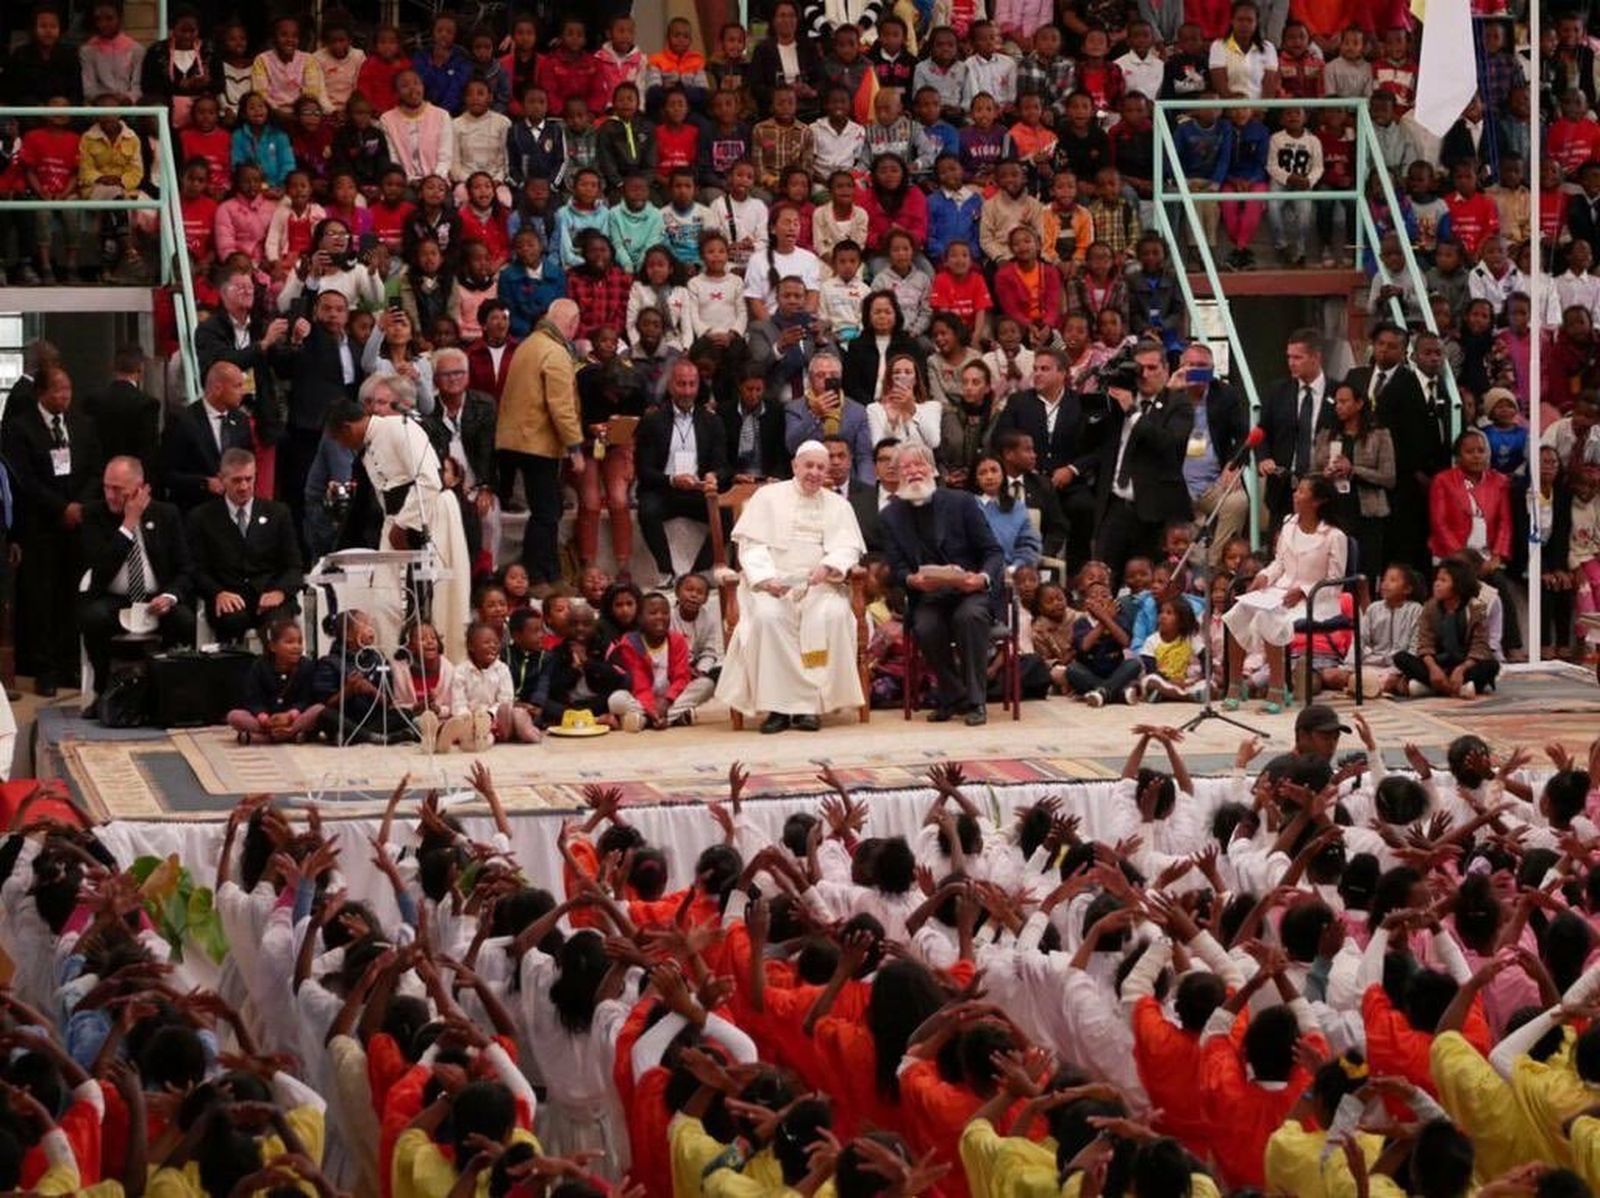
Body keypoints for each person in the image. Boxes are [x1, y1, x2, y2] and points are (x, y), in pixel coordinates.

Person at [717, 440, 867, 732]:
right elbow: (750, 545)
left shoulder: (838, 505)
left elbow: (848, 548)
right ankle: (778, 709)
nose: (814, 472)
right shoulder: (767, 497)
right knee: (768, 618)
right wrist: (766, 580)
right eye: (808, 465)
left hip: (820, 584)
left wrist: (827, 567)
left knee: (833, 616)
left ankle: (811, 707)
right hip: (772, 584)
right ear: (795, 466)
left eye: (821, 467)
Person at [326, 401, 472, 663]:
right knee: (385, 601)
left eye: (339, 438)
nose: (342, 446)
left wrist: (403, 523)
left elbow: (429, 480)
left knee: (429, 600)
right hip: (395, 521)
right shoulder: (367, 446)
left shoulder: (399, 429)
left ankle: (436, 669)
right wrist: (395, 524)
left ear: (347, 428)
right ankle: (396, 668)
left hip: (426, 517)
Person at [880, 443, 1003, 724]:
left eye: (919, 464)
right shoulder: (890, 515)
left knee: (969, 617)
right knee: (925, 626)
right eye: (906, 467)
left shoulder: (961, 502)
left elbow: (993, 552)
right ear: (897, 474)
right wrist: (912, 579)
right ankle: (953, 693)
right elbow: (897, 569)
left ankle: (975, 701)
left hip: (968, 590)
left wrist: (981, 578)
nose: (913, 472)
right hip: (929, 596)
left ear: (933, 469)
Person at [2, 363, 102, 695]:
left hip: (77, 526)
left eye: (68, 390)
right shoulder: (20, 429)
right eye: (58, 390)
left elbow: (93, 470)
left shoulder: (82, 425)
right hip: (40, 527)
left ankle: (67, 664)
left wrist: (79, 506)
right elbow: (24, 480)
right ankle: (44, 668)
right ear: (41, 393)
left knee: (71, 598)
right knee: (42, 600)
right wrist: (60, 508)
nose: (64, 396)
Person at [1223, 475, 1349, 712]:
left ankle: (1278, 689)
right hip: (1279, 591)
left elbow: (1335, 582)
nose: (1295, 495)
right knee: (1238, 611)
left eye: (1301, 492)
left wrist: (1303, 591)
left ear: (1317, 501)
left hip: (1317, 601)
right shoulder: (1288, 523)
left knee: (1270, 617)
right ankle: (1235, 684)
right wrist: (1264, 576)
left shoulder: (1334, 536)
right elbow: (1279, 564)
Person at [77, 456, 196, 702]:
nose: (110, 495)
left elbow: (186, 569)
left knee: (185, 620)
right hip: (114, 599)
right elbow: (100, 571)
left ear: (139, 489)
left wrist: (170, 596)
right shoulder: (93, 515)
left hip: (155, 600)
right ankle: (102, 690)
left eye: (118, 489)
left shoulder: (167, 514)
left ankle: (170, 689)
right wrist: (128, 524)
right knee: (92, 617)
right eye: (106, 487)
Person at [1087, 341, 1196, 584]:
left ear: (1166, 369)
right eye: (1140, 369)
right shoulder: (1118, 398)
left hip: (1153, 513)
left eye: (1152, 368)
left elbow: (1167, 443)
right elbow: (1091, 432)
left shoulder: (1178, 404)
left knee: (1152, 588)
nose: (1145, 375)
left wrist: (1133, 412)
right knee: (1102, 581)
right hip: (1114, 506)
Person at [498, 297, 586, 584]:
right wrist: (575, 447)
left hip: (516, 439)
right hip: (538, 442)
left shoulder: (528, 344)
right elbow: (561, 405)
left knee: (547, 510)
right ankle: (537, 576)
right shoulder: (555, 352)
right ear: (572, 324)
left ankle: (548, 572)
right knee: (546, 512)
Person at [991, 348, 1098, 569]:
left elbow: (1096, 449)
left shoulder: (1080, 404)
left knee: (1084, 507)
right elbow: (1000, 438)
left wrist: (1071, 469)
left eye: (1044, 369)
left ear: (1062, 374)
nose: (1037, 374)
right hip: (1029, 480)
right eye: (1035, 369)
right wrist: (1025, 467)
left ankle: (1076, 574)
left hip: (1069, 482)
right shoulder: (1019, 402)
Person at [186, 448, 303, 643]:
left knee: (279, 628)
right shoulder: (202, 517)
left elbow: (294, 565)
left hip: (271, 595)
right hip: (229, 597)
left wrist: (280, 592)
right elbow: (196, 568)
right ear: (222, 479)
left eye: (249, 479)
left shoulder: (278, 513)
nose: (243, 486)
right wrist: (217, 592)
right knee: (231, 622)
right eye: (236, 480)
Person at [634, 360, 731, 587]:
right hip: (663, 489)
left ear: (698, 386)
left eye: (691, 384)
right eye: (681, 384)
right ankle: (666, 571)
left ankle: (697, 573)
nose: (687, 391)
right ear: (670, 386)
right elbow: (644, 470)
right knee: (647, 511)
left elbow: (724, 465)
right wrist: (671, 480)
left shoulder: (712, 421)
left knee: (726, 516)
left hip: (698, 491)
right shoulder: (652, 421)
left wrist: (713, 476)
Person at [1429, 428, 1522, 657]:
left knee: (1500, 586)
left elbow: (1504, 523)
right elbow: (1439, 524)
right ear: (1458, 456)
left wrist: (1497, 556)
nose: (1477, 456)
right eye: (1470, 451)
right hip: (1452, 555)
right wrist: (1463, 559)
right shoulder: (1443, 481)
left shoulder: (1498, 481)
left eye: (1481, 451)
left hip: (1486, 556)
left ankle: (1510, 646)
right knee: (1453, 586)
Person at [1312, 380, 1397, 577]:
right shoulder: (1327, 435)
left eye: (1344, 401)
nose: (1339, 406)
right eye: (1337, 402)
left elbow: (1388, 477)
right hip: (1335, 509)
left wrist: (1354, 470)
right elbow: (1313, 472)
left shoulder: (1379, 435)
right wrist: (1324, 475)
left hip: (1367, 512)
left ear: (1359, 404)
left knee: (1365, 571)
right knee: (1336, 569)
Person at [1258, 327, 1335, 532]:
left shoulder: (1337, 392)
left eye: (1298, 357)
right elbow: (1262, 431)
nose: (1291, 362)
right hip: (1283, 485)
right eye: (1289, 357)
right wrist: (1264, 457)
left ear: (1316, 357)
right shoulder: (1277, 391)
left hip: (1322, 487)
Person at [1390, 557, 1501, 697]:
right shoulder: (1430, 608)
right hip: (1437, 664)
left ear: (1458, 585)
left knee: (1492, 665)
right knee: (1401, 658)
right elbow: (1425, 644)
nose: (1437, 584)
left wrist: (1461, 669)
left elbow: (1479, 647)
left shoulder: (1476, 608)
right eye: (1437, 580)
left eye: (1443, 581)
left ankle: (1433, 689)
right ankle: (1458, 689)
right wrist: (1433, 669)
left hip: (1464, 664)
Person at [161, 361, 258, 511]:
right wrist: (204, 483)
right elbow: (167, 474)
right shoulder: (182, 421)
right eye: (237, 386)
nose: (243, 391)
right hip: (195, 511)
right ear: (218, 388)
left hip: (233, 511)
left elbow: (248, 461)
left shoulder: (241, 421)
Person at [786, 351, 876, 483]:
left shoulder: (858, 411)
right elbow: (792, 446)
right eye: (820, 375)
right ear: (810, 380)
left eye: (833, 375)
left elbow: (864, 456)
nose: (827, 380)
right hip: (808, 477)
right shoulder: (795, 408)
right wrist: (815, 415)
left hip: (846, 481)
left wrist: (865, 489)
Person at [973, 452, 1043, 568]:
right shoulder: (967, 505)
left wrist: (1014, 568)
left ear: (1003, 475)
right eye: (982, 473)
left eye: (994, 470)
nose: (989, 477)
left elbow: (1029, 546)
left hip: (1012, 572)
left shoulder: (1018, 508)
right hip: (976, 574)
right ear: (976, 479)